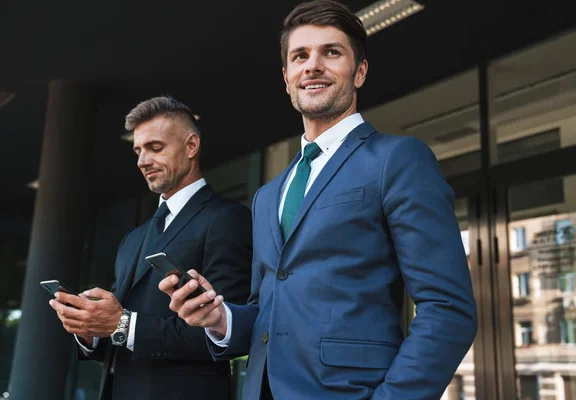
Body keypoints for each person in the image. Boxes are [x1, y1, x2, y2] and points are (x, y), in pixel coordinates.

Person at [159, 1, 478, 399]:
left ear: (359, 71)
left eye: (331, 52)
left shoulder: (398, 160)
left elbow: (448, 309)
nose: (312, 66)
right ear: (287, 78)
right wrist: (219, 318)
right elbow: (267, 315)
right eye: (300, 56)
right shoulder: (268, 195)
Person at [49, 96, 253, 400]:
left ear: (191, 146)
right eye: (138, 150)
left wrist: (122, 324)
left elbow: (224, 333)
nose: (142, 161)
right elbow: (119, 336)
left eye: (155, 148)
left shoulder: (228, 219)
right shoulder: (133, 237)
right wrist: (90, 329)